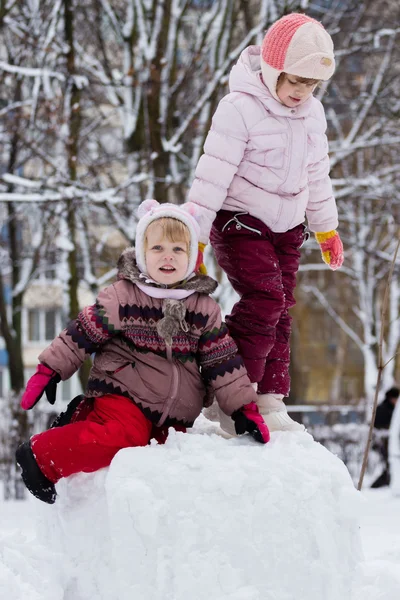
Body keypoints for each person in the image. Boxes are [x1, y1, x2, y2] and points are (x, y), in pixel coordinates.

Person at [16, 200, 269, 504]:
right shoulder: (123, 297)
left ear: (192, 257)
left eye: (178, 249)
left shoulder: (204, 309)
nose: (168, 256)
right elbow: (82, 331)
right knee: (125, 435)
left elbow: (223, 361)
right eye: (158, 248)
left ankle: (80, 419)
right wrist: (51, 369)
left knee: (160, 460)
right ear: (141, 252)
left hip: (173, 413)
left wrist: (243, 408)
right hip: (123, 392)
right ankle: (40, 456)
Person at [188, 13, 343, 434]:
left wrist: (326, 228)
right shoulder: (239, 108)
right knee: (266, 299)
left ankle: (269, 399)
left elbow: (317, 176)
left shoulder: (313, 115)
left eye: (310, 86)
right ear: (274, 69)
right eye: (294, 81)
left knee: (282, 309)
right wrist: (194, 238)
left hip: (289, 228)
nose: (301, 93)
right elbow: (212, 174)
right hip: (240, 221)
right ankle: (229, 394)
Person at [371, 386, 399, 488]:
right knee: (389, 466)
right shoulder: (385, 409)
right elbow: (379, 426)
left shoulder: (388, 408)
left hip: (386, 442)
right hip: (385, 442)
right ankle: (380, 485)